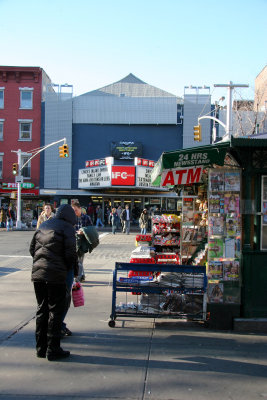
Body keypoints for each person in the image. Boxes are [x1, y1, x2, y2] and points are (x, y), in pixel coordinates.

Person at [29, 204, 78, 361]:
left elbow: (32, 249)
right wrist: (70, 269)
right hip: (56, 275)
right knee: (55, 311)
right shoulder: (68, 228)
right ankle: (53, 349)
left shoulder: (43, 224)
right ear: (70, 217)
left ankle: (40, 348)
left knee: (41, 309)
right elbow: (71, 254)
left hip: (38, 274)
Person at [72, 201, 92, 282]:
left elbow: (91, 229)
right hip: (73, 241)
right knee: (78, 260)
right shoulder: (72, 218)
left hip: (82, 242)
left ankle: (77, 278)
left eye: (76, 210)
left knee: (79, 260)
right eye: (73, 211)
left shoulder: (87, 218)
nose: (74, 212)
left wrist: (83, 232)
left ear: (80, 209)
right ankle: (82, 275)